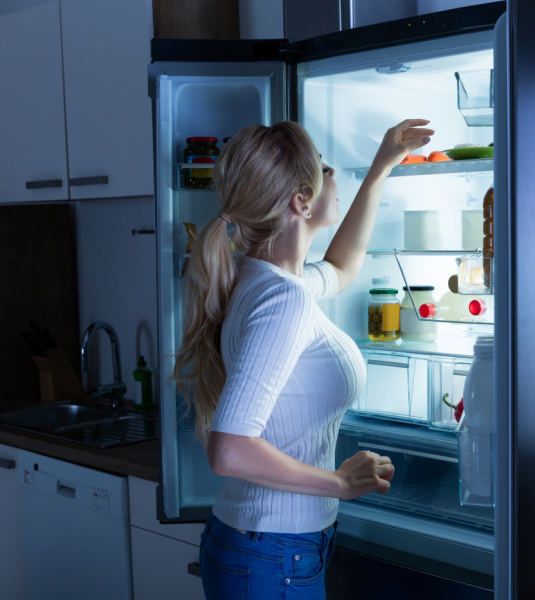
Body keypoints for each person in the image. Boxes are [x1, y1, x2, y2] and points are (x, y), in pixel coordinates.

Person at [173, 118, 434, 599]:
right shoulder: (282, 299)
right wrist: (338, 481)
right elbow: (228, 448)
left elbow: (341, 267)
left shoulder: (260, 277)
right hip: (272, 553)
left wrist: (380, 168)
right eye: (327, 168)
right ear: (301, 200)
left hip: (263, 547)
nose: (335, 177)